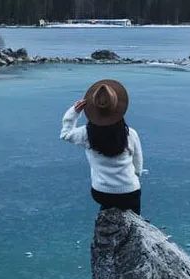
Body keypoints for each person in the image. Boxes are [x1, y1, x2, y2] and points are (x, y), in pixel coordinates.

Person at [60, 79, 143, 215]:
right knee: (134, 221)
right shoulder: (130, 134)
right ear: (119, 110)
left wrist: (74, 112)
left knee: (107, 209)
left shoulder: (86, 134)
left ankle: (106, 224)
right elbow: (138, 164)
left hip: (101, 192)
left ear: (92, 110)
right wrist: (135, 175)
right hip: (129, 192)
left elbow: (65, 134)